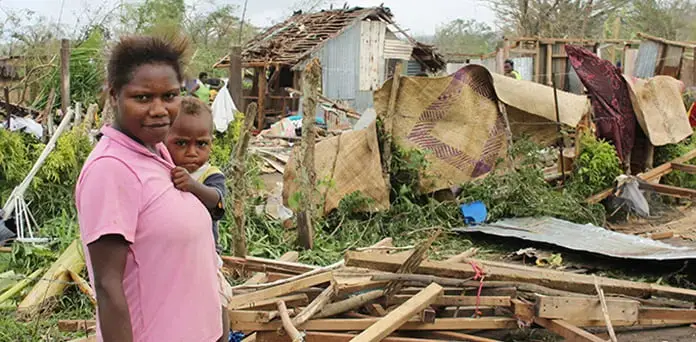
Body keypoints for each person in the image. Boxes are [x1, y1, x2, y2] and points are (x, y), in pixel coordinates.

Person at [75, 35, 222, 342]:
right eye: (143, 98)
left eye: (170, 96)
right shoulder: (111, 169)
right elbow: (107, 284)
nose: (159, 109)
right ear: (114, 95)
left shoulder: (158, 152)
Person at [165, 96, 231, 342]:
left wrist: (193, 186)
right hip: (172, 259)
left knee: (217, 299)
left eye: (201, 144)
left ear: (211, 143)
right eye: (181, 143)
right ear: (165, 139)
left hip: (205, 257)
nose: (192, 152)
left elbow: (218, 203)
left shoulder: (210, 175)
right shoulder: (160, 169)